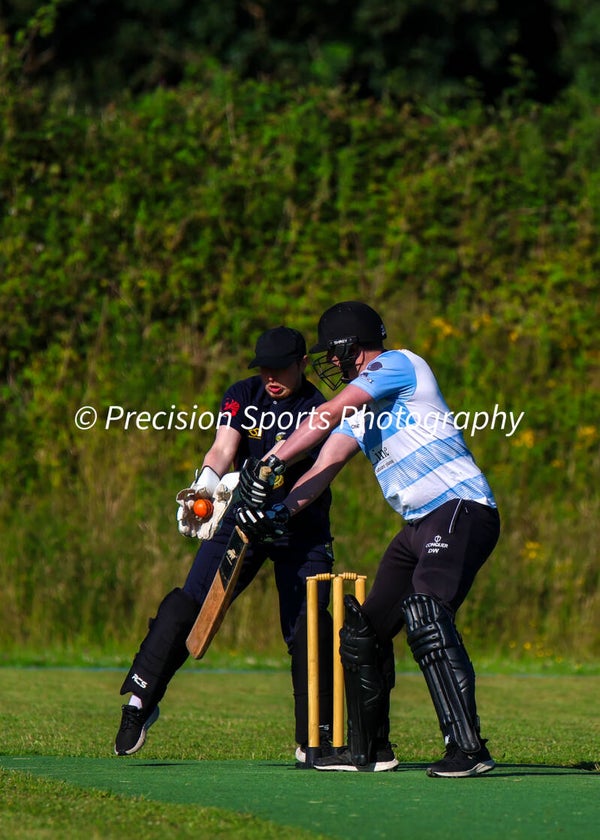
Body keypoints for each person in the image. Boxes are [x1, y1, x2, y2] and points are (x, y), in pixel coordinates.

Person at [235, 301, 501, 777]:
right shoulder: (360, 411)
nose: (330, 363)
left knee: (425, 613)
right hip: (418, 524)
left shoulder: (399, 364)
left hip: (459, 507)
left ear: (350, 347)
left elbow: (327, 412)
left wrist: (271, 460)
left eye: (332, 353)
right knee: (363, 633)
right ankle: (372, 750)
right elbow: (323, 468)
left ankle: (468, 748)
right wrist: (278, 511)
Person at [114, 326, 336, 764]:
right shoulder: (243, 394)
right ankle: (140, 701)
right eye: (265, 368)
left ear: (303, 364)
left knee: (308, 627)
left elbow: (318, 473)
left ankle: (314, 737)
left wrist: (282, 511)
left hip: (300, 524)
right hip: (241, 520)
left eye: (281, 369)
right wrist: (203, 487)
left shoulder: (318, 407)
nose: (271, 377)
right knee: (188, 604)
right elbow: (222, 448)